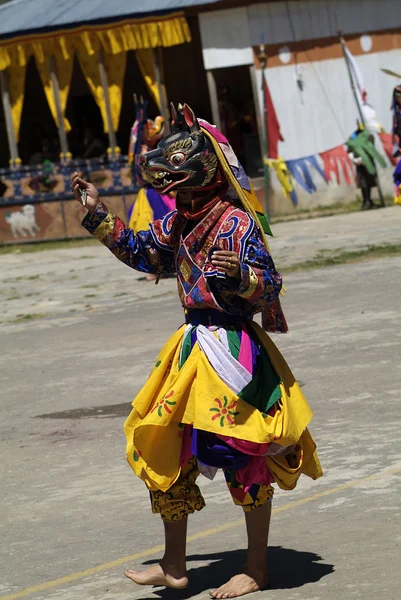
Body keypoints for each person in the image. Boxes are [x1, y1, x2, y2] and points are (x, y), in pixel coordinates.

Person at [71, 103, 322, 599]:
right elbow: (144, 252)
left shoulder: (236, 223)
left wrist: (242, 277)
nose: (168, 175)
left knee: (242, 453)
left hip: (233, 350)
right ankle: (174, 565)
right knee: (167, 446)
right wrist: (97, 213)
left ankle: (256, 567)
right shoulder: (181, 221)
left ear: (205, 168)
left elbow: (270, 287)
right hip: (190, 349)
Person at [127, 101, 175, 281]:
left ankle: (165, 265)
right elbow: (147, 175)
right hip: (152, 194)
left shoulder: (153, 149)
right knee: (150, 232)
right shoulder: (143, 152)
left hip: (161, 192)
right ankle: (153, 268)